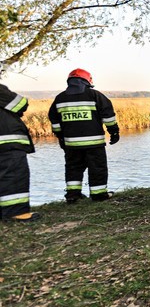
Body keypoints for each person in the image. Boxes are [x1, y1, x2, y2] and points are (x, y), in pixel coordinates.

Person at [48, 69, 119, 203]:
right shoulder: (95, 95)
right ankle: (99, 195)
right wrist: (114, 132)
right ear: (87, 80)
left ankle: (73, 196)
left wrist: (61, 137)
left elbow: (54, 121)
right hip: (94, 143)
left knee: (73, 168)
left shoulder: (60, 98)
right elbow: (108, 115)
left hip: (71, 144)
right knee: (97, 168)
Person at [0, 72, 40, 221]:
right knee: (14, 175)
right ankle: (16, 213)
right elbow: (21, 104)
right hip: (7, 142)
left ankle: (4, 211)